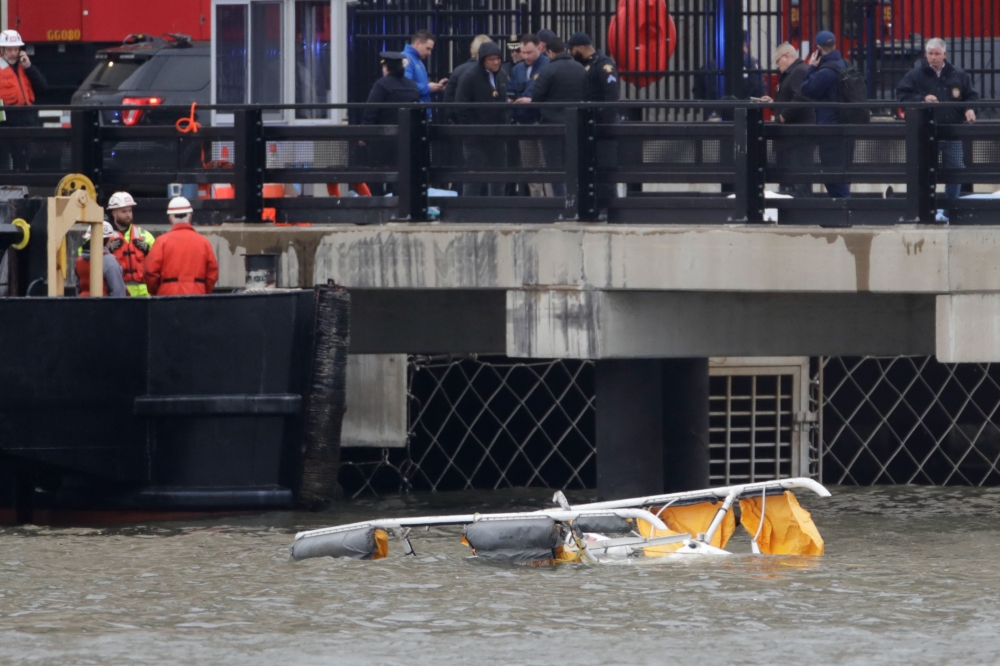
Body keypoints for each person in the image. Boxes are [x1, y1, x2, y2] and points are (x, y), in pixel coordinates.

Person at [896, 37, 978, 218]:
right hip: (926, 132)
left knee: (955, 171)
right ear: (926, 54)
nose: (933, 57)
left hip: (952, 132)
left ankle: (951, 210)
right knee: (924, 171)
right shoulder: (915, 75)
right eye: (930, 54)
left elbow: (971, 96)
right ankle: (925, 211)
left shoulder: (958, 74)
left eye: (936, 54)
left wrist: (970, 108)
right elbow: (901, 95)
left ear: (945, 54)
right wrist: (923, 99)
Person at [515, 38, 586, 199]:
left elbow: (537, 95)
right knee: (574, 165)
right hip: (576, 123)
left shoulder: (548, 69)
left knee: (555, 167)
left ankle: (562, 202)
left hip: (553, 124)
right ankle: (576, 201)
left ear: (550, 52)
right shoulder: (580, 68)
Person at [568, 32, 620, 216]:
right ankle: (592, 207)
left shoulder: (604, 64)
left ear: (580, 47)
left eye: (573, 50)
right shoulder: (586, 65)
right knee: (589, 168)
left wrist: (604, 124)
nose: (571, 53)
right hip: (588, 126)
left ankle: (607, 207)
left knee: (605, 169)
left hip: (602, 125)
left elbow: (610, 96)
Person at [759, 43, 816, 196]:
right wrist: (774, 104)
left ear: (786, 56)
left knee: (798, 180)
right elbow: (791, 98)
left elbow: (802, 97)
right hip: (791, 138)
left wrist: (783, 116)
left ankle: (800, 212)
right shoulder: (793, 72)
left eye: (777, 61)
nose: (777, 66)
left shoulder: (798, 72)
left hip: (797, 138)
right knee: (789, 180)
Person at [801, 31, 852, 198]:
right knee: (843, 173)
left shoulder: (825, 72)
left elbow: (806, 89)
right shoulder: (846, 64)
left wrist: (811, 68)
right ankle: (844, 210)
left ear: (818, 49)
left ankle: (843, 211)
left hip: (830, 129)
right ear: (835, 45)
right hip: (847, 126)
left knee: (833, 175)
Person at [362, 52, 421, 194]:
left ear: (387, 67)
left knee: (377, 175)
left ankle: (377, 206)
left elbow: (371, 111)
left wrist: (364, 135)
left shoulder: (382, 85)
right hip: (407, 139)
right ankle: (399, 207)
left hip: (382, 139)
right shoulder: (412, 85)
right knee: (401, 176)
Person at [456, 41, 509, 196]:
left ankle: (496, 209)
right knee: (474, 176)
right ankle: (470, 211)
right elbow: (461, 105)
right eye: (491, 59)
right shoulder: (470, 77)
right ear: (483, 60)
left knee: (499, 176)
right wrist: (472, 128)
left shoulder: (502, 75)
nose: (496, 62)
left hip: (497, 135)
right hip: (475, 137)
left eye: (498, 58)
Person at [144, 197, 219, 296]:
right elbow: (212, 273)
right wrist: (202, 289)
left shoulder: (161, 242)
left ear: (170, 219)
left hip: (168, 295)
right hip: (197, 294)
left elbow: (150, 272)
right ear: (190, 218)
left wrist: (159, 291)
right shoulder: (204, 242)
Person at [510, 34, 551, 197]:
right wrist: (510, 99)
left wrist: (532, 99)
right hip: (523, 120)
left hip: (541, 120)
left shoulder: (547, 65)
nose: (526, 56)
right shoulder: (518, 68)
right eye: (523, 52)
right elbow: (512, 88)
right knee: (529, 163)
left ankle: (551, 201)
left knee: (546, 163)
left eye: (530, 52)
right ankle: (537, 199)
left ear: (540, 48)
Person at [0, 30, 47, 171]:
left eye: (16, 49)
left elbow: (43, 87)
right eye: (9, 49)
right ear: (2, 50)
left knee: (22, 159)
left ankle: (21, 188)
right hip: (5, 122)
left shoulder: (25, 67)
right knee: (3, 160)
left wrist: (29, 67)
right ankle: (4, 189)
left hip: (25, 120)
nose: (13, 53)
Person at [105, 191, 155, 296]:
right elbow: (86, 255)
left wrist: (148, 250)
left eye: (130, 211)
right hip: (118, 293)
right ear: (114, 213)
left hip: (144, 294)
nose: (128, 215)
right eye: (124, 212)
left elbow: (158, 260)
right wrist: (106, 251)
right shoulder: (104, 235)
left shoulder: (144, 235)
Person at [444, 34, 491, 126]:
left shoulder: (458, 70)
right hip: (487, 124)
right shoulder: (492, 71)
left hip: (461, 124)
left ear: (472, 50)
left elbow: (449, 99)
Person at [76, 222, 129, 298]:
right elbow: (118, 291)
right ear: (107, 239)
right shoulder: (109, 260)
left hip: (84, 305)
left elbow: (78, 288)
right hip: (104, 307)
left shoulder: (79, 260)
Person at [403, 30, 447, 105]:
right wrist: (428, 88)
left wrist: (436, 88)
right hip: (414, 111)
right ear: (417, 44)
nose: (429, 53)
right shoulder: (405, 59)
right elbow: (406, 86)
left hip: (420, 110)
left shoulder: (418, 61)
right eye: (428, 48)